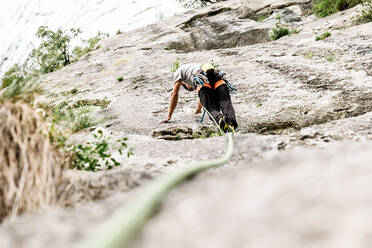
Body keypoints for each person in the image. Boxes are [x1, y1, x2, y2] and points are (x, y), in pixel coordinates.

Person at [161, 62, 238, 132]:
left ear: (184, 83)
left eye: (190, 88)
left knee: (211, 108)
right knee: (225, 103)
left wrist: (169, 116)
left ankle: (219, 119)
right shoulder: (194, 67)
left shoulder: (178, 72)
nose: (193, 88)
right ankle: (231, 124)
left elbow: (174, 94)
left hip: (202, 78)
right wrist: (198, 109)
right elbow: (202, 97)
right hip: (217, 76)